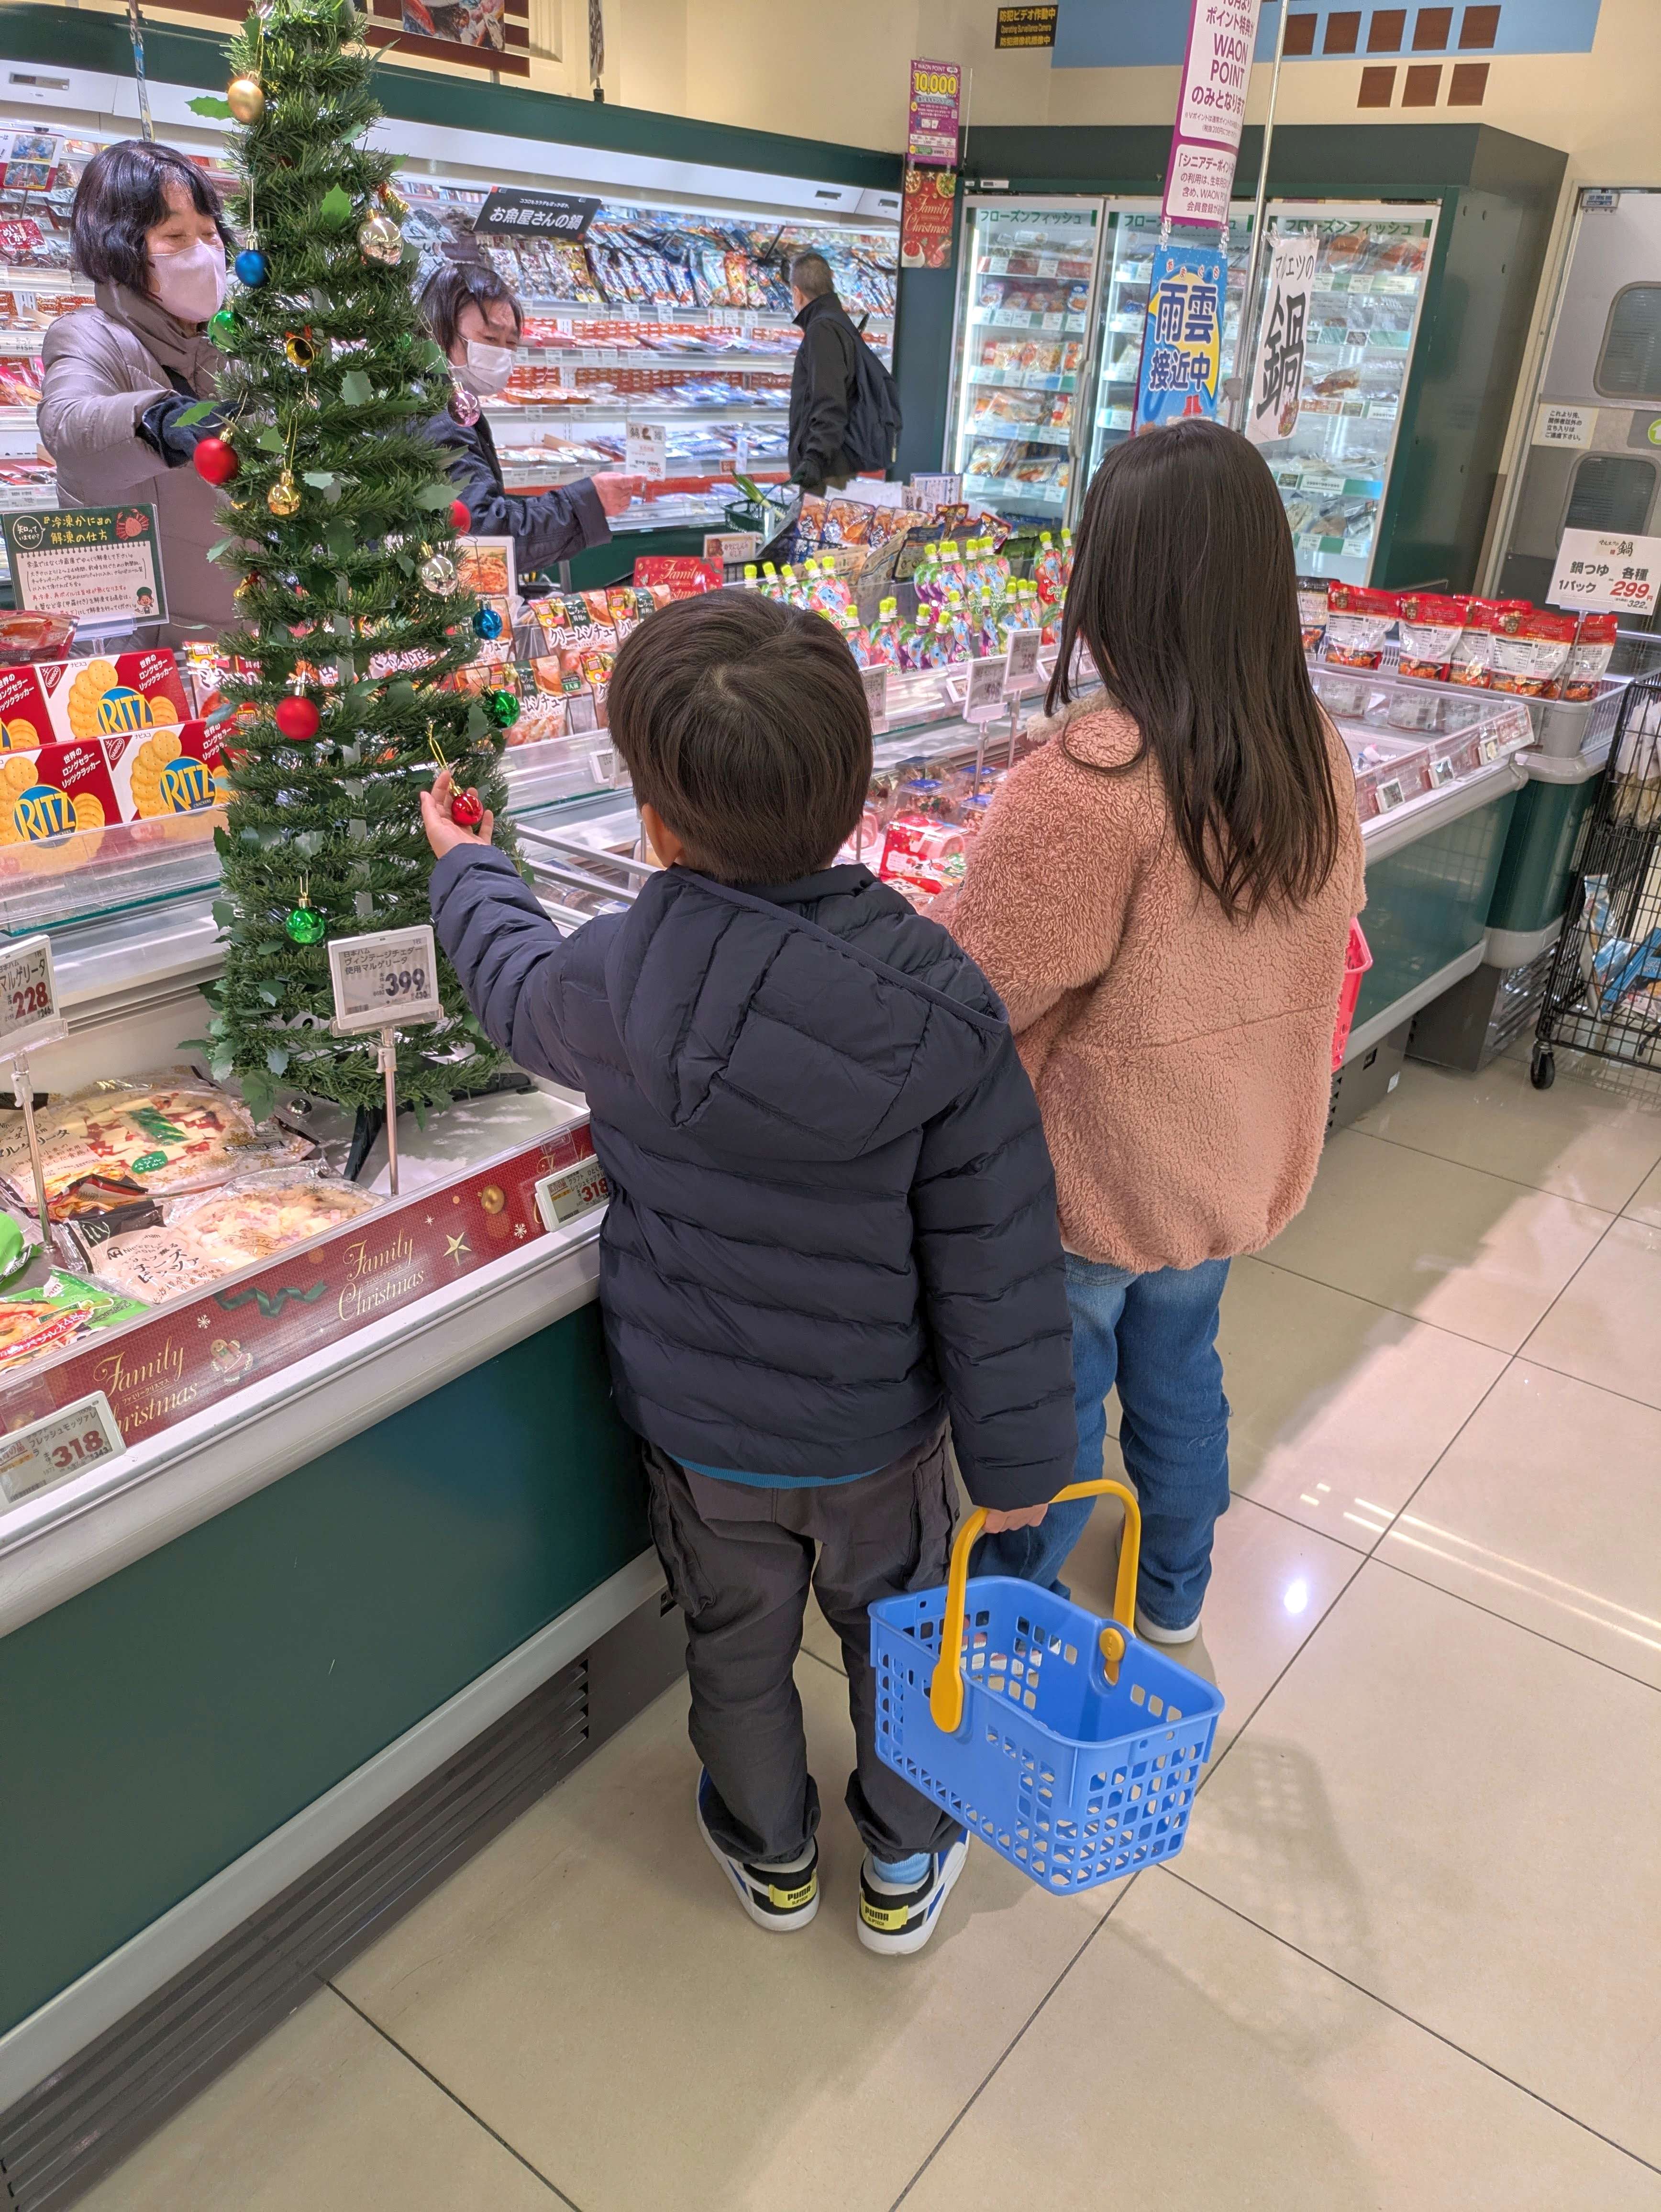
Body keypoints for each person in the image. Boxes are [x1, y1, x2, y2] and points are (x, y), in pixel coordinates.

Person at [422, 588, 1074, 1957]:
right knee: (909, 1645)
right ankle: (904, 1856)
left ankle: (769, 1848)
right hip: (880, 1434)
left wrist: (466, 865)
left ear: (655, 819)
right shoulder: (943, 1002)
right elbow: (1001, 1261)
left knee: (731, 1644)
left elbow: (511, 985)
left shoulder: (616, 976)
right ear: (852, 794)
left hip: (704, 1434)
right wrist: (1019, 1466)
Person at [933, 419, 1365, 1641]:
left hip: (1093, 1178)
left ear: (1114, 581)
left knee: (1058, 1401)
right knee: (1182, 1373)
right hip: (1232, 1152)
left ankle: (1017, 1604)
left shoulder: (1098, 777)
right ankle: (1175, 1583)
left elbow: (981, 982)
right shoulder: (1311, 747)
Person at [38, 140, 235, 637]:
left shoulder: (233, 345)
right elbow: (68, 425)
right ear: (120, 247)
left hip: (248, 639)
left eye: (209, 234)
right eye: (175, 236)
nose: (202, 254)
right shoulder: (87, 336)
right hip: (147, 649)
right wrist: (156, 421)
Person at [418, 260, 637, 572]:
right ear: (440, 332)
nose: (502, 354)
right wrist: (589, 502)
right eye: (490, 339)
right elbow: (483, 534)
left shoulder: (433, 396)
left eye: (511, 344)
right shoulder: (439, 415)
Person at [786, 250, 862, 494]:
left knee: (821, 519)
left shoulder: (823, 331)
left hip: (826, 470)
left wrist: (814, 459)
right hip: (835, 463)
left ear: (797, 293)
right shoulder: (836, 321)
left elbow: (830, 400)